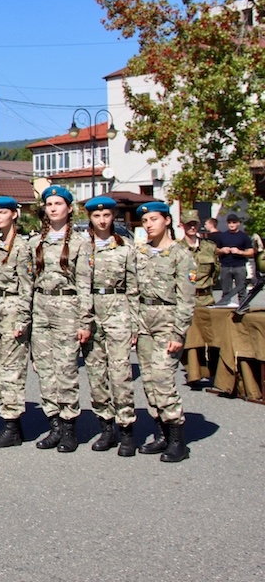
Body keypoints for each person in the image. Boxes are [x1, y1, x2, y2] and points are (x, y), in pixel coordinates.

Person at [28, 185, 92, 453]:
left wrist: (85, 320)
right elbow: (29, 282)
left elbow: (86, 284)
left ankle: (69, 428)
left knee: (66, 369)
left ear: (69, 208)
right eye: (49, 204)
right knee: (44, 370)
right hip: (41, 306)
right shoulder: (35, 242)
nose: (53, 208)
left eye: (58, 203)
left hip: (68, 306)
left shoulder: (80, 243)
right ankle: (54, 425)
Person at [131, 201, 195, 462]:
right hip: (145, 321)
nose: (149, 225)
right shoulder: (141, 252)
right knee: (148, 380)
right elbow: (134, 291)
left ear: (167, 221)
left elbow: (187, 298)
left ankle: (178, 439)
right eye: (145, 221)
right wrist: (135, 326)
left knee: (163, 379)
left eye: (154, 219)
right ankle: (162, 434)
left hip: (168, 322)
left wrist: (178, 333)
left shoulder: (181, 254)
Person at [76, 196, 138, 456]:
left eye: (106, 215)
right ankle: (107, 427)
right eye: (96, 216)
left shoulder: (125, 248)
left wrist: (135, 324)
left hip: (118, 311)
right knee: (96, 374)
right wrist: (83, 320)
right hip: (92, 313)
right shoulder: (83, 247)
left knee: (120, 373)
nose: (101, 220)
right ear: (90, 218)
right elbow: (80, 286)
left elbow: (134, 287)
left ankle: (127, 431)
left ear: (113, 217)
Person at [0, 196, 33, 448]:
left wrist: (23, 319)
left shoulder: (21, 247)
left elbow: (27, 286)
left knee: (12, 371)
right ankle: (10, 422)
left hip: (13, 309)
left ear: (14, 214)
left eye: (3, 212)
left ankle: (12, 425)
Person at [212, 213, 254, 301]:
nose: (231, 224)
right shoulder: (222, 236)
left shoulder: (244, 237)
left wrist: (239, 252)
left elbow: (251, 252)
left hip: (239, 266)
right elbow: (215, 251)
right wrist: (222, 250)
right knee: (226, 291)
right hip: (225, 266)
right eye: (229, 222)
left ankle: (243, 308)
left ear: (238, 223)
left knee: (241, 290)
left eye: (234, 222)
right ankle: (225, 308)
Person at [181, 210, 218, 307]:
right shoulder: (177, 248)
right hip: (184, 301)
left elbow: (216, 271)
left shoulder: (209, 247)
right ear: (182, 225)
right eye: (189, 224)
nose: (192, 227)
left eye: (194, 224)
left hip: (206, 299)